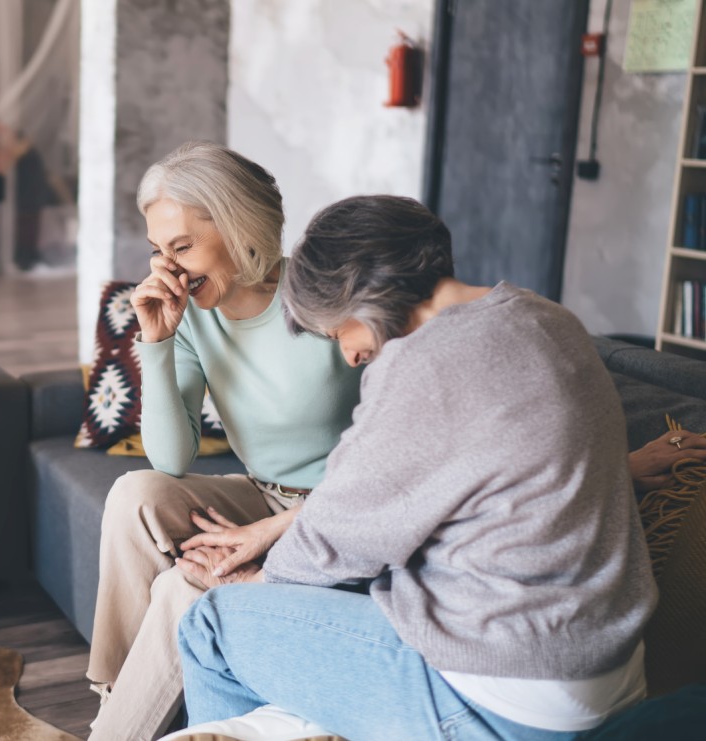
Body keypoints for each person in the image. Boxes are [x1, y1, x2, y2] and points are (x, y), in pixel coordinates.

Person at [174, 195, 659, 740]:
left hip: (505, 690)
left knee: (212, 621)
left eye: (338, 333)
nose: (350, 355)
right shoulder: (547, 318)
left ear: (358, 294)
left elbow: (339, 535)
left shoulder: (424, 363)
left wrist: (260, 584)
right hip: (607, 666)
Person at [85, 142, 363, 741]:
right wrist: (157, 343)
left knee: (183, 585)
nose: (170, 268)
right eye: (159, 250)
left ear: (241, 227)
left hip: (340, 511)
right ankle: (114, 704)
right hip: (262, 494)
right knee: (136, 492)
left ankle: (114, 732)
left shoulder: (325, 296)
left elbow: (394, 455)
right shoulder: (191, 315)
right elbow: (171, 459)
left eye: (183, 247)